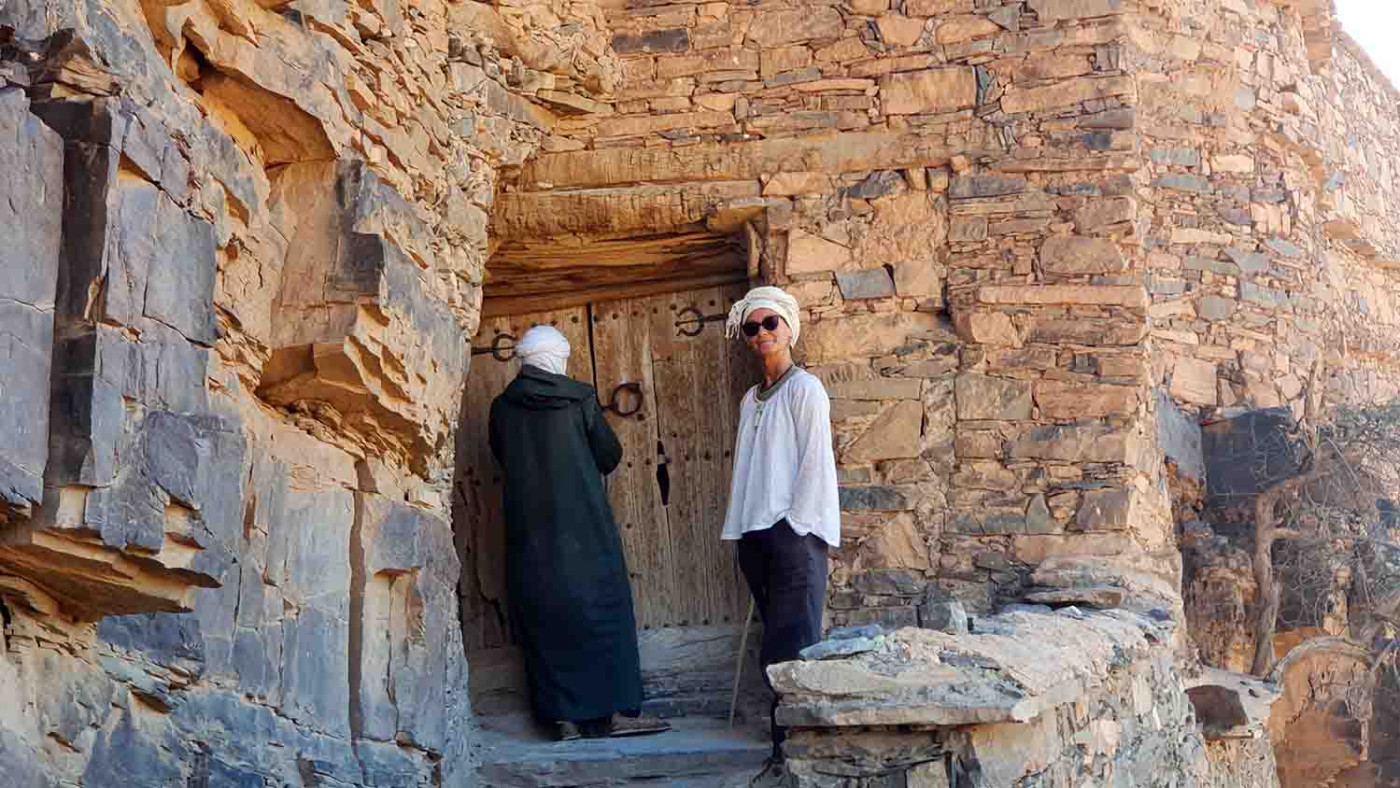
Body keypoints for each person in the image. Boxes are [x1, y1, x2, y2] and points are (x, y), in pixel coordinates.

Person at [488, 325, 670, 741]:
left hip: (530, 534)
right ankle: (617, 714)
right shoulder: (579, 400)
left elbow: (502, 454)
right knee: (605, 612)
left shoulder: (502, 408)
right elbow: (609, 455)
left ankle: (563, 720)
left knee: (545, 616)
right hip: (585, 528)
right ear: (557, 358)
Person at [720, 287, 840, 785]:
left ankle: (796, 751)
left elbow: (815, 462)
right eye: (753, 326)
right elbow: (749, 470)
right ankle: (786, 746)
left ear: (789, 328)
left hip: (794, 534)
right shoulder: (752, 399)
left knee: (794, 645)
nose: (762, 333)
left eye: (771, 323)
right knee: (775, 642)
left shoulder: (804, 389)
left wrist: (796, 526)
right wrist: (743, 529)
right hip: (756, 534)